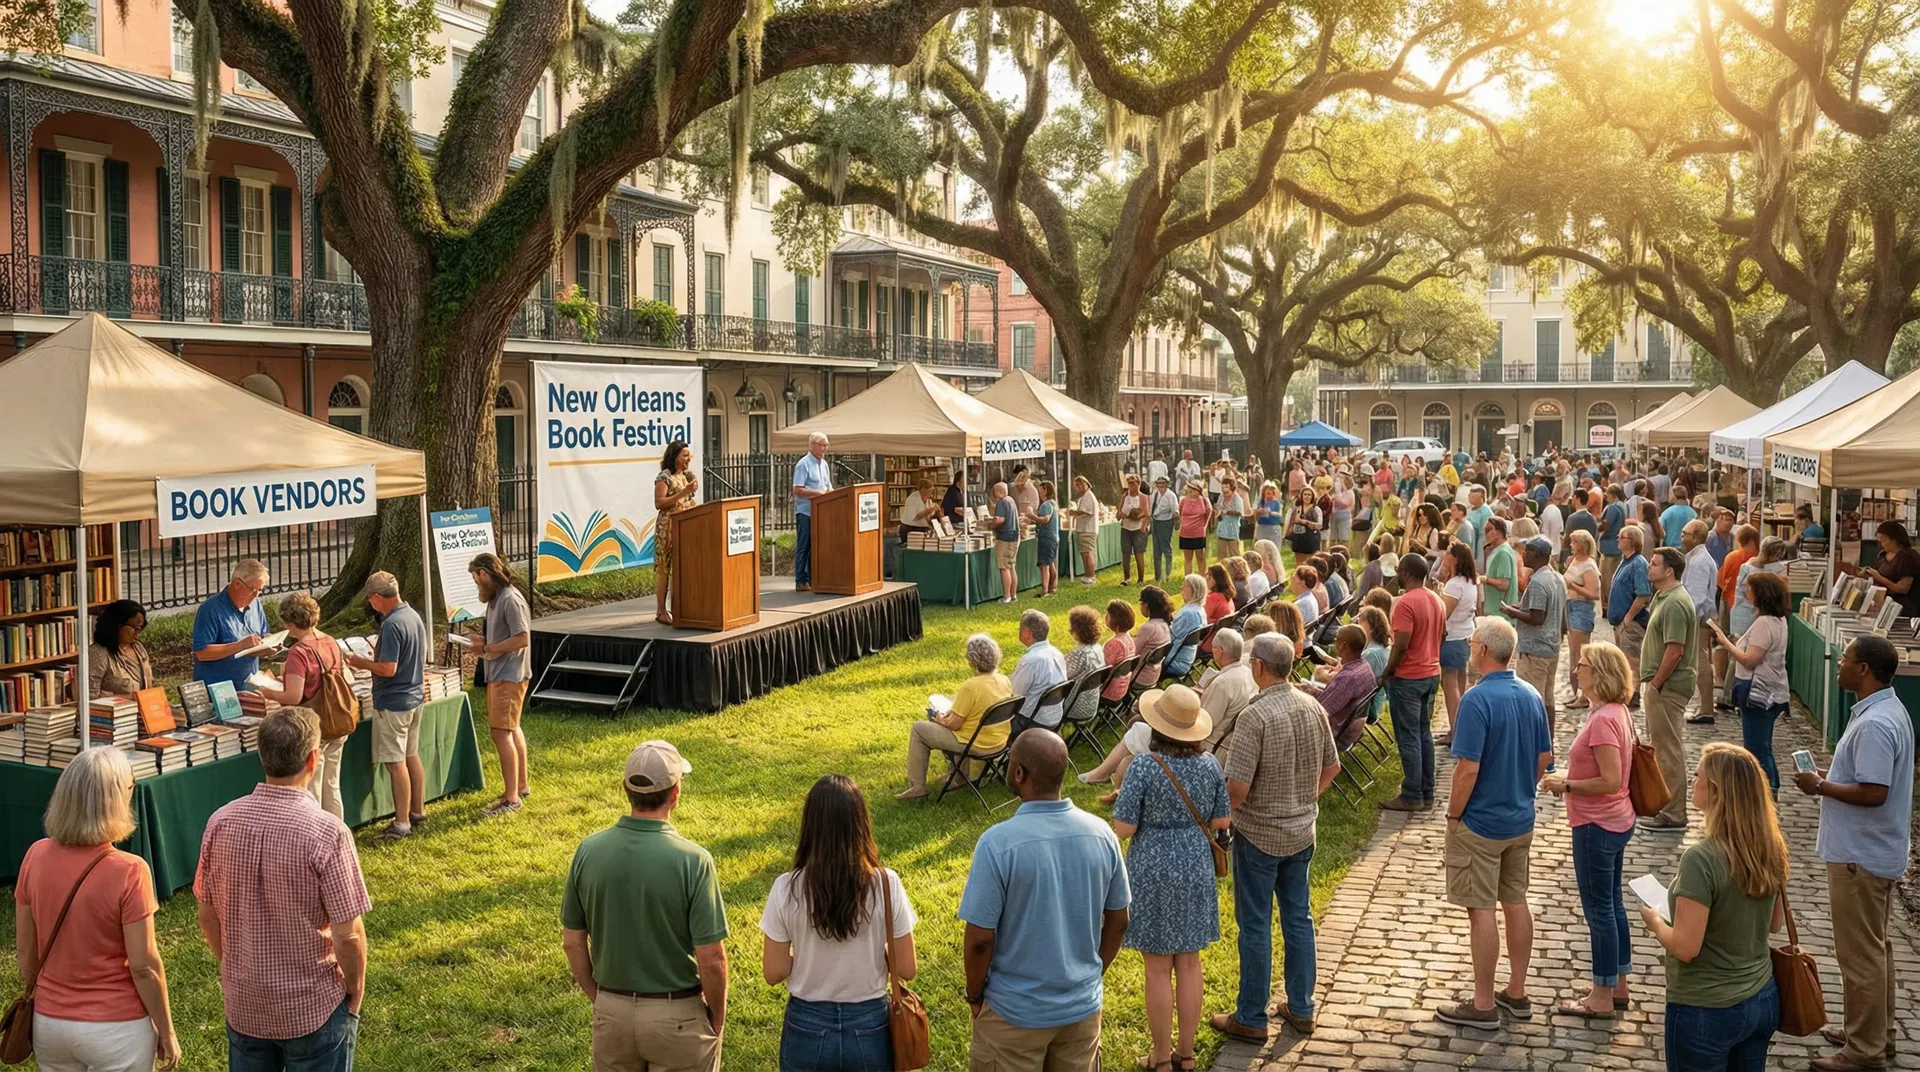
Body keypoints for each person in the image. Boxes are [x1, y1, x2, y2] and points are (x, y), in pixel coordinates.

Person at [196, 708, 370, 1072]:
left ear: (262, 755)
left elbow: (207, 915)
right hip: (312, 1006)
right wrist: (354, 988)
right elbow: (348, 935)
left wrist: (236, 965)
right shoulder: (328, 833)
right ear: (313, 759)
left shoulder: (220, 822)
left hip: (245, 1002)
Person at [960, 731, 1130, 1071]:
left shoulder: (997, 844)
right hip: (1081, 1009)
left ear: (1020, 774)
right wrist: (1093, 973)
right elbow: (1119, 920)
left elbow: (980, 939)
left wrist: (975, 995)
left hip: (1013, 1015)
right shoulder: (1102, 835)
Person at [563, 739, 727, 1072]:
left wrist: (602, 999)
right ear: (676, 793)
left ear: (627, 790)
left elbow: (572, 942)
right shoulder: (694, 861)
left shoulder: (588, 851)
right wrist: (716, 1018)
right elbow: (712, 959)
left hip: (612, 1013)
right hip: (678, 1018)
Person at [1210, 633, 1341, 1043]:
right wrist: (1303, 799)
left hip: (1260, 835)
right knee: (1298, 919)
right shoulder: (1311, 705)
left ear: (1260, 667)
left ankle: (1251, 1016)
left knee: (1255, 925)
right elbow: (1332, 767)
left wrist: (1219, 822)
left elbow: (1238, 790)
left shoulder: (1256, 716)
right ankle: (1301, 1007)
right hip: (1301, 831)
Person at [14, 747, 179, 1072]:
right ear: (116, 799)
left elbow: (25, 953)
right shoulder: (130, 870)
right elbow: (144, 966)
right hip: (117, 1029)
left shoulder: (35, 856)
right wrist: (167, 1030)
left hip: (50, 1024)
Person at [1795, 635, 1914, 1072]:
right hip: (1872, 851)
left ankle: (1863, 1052)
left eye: (1844, 659)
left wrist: (1820, 786)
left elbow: (1873, 791)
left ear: (1863, 669)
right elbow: (1864, 776)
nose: (1838, 664)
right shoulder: (1885, 711)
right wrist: (1830, 774)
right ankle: (1870, 1032)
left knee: (1860, 955)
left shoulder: (1875, 723)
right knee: (1875, 950)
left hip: (1859, 856)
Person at [1434, 618, 1554, 1028]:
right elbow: (1543, 760)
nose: (1469, 648)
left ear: (1483, 650)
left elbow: (1467, 770)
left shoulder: (1475, 700)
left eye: (1471, 643)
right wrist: (1521, 790)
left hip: (1481, 823)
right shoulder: (1532, 695)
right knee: (1516, 901)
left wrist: (1453, 816)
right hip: (1520, 819)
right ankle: (1516, 992)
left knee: (1481, 909)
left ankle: (1483, 1004)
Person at [1641, 744, 1787, 1072]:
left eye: (1698, 776)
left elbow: (1685, 947)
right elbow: (1774, 923)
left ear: (1717, 791)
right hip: (1761, 998)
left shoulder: (1701, 858)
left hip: (1706, 1008)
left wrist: (1654, 921)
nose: (1692, 781)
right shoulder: (1771, 846)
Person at [761, 775, 916, 1072]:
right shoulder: (887, 883)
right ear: (861, 824)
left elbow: (773, 971)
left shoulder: (786, 887)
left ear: (810, 826)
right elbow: (907, 968)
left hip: (807, 1023)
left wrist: (807, 958)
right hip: (871, 1021)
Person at [1111, 687, 1229, 1072]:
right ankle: (1187, 1052)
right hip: (1196, 864)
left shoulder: (1144, 766)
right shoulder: (1210, 764)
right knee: (1190, 963)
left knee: (1158, 967)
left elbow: (1124, 828)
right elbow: (1220, 822)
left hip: (1152, 867)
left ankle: (1160, 1057)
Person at [1541, 641, 1637, 1018]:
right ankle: (1617, 981)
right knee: (1612, 903)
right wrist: (1571, 777)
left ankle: (1600, 996)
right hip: (1612, 820)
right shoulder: (1615, 712)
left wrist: (1567, 785)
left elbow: (1610, 780)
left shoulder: (1602, 720)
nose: (1576, 669)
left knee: (1599, 910)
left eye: (1581, 665)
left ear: (1598, 673)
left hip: (1597, 823)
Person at [344, 571, 428, 842]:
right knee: (411, 756)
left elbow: (388, 668)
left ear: (378, 598)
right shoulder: (412, 615)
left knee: (395, 763)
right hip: (414, 697)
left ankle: (402, 823)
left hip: (393, 703)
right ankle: (417, 811)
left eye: (371, 600)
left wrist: (361, 663)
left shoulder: (391, 625)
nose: (371, 605)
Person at [252, 593, 351, 819]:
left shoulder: (300, 651)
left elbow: (294, 696)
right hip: (337, 718)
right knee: (332, 783)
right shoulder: (329, 641)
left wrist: (266, 691)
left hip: (313, 725)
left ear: (288, 623)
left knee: (312, 787)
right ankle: (337, 830)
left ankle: (313, 829)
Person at [901, 634, 1013, 800]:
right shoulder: (1004, 680)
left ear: (972, 661)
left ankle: (917, 786)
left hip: (975, 743)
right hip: (999, 741)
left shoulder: (971, 686)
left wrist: (939, 719)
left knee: (919, 728)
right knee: (965, 725)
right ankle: (959, 776)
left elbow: (954, 725)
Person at [1707, 572, 1789, 790]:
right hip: (1771, 689)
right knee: (1762, 746)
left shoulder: (1764, 622)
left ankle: (1767, 792)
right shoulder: (1778, 620)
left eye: (1749, 589)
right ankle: (1769, 791)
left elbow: (1750, 660)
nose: (1746, 592)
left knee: (1757, 749)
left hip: (1758, 691)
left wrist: (1725, 643)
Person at [1382, 553, 1445, 812]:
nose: (1397, 573)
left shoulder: (1406, 603)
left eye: (1399, 570)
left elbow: (1401, 644)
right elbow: (1443, 634)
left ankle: (1411, 794)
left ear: (1407, 573)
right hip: (1432, 672)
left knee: (1408, 736)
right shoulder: (1436, 599)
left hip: (1408, 677)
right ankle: (1426, 791)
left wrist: (1388, 670)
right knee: (1423, 733)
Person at [471, 552, 533, 817]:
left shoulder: (510, 599)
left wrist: (489, 647)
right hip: (501, 671)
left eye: (476, 579)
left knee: (500, 733)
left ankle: (511, 799)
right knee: (511, 728)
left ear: (485, 574)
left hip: (509, 674)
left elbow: (522, 639)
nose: (476, 585)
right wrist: (482, 643)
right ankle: (520, 785)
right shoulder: (496, 598)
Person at [1641, 546, 1698, 833]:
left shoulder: (1675, 602)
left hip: (1667, 687)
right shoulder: (1663, 597)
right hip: (1660, 685)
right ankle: (1663, 805)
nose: (1649, 567)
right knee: (1660, 748)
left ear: (1669, 571)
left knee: (1668, 750)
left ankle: (1674, 812)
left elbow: (1675, 650)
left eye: (1654, 563)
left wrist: (1655, 683)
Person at [1500, 536, 1566, 737]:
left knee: (1531, 701)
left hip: (1534, 650)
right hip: (1551, 647)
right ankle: (1549, 743)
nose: (1523, 554)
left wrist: (1511, 612)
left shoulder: (1538, 581)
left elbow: (1537, 617)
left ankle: (1535, 745)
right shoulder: (1557, 577)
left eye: (1527, 551)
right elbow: (1555, 611)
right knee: (1548, 700)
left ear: (1537, 554)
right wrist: (1520, 607)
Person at [192, 558, 275, 691]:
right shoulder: (210, 609)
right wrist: (240, 645)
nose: (256, 595)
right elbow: (202, 653)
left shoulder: (255, 604)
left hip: (249, 686)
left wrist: (270, 645)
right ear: (237, 584)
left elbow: (263, 634)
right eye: (253, 590)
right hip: (219, 691)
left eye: (260, 590)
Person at [1300, 624, 1376, 748]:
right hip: (1351, 728)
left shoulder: (1347, 679)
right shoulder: (1365, 667)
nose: (1335, 642)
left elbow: (1321, 712)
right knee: (1298, 689)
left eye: (1336, 639)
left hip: (1337, 733)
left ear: (1343, 645)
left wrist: (1319, 678)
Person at [653, 439, 700, 624]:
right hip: (667, 527)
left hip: (684, 525)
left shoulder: (688, 475)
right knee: (665, 568)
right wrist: (682, 493)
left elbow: (689, 500)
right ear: (675, 457)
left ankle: (680, 608)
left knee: (682, 567)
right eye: (685, 455)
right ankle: (661, 611)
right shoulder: (664, 477)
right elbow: (659, 503)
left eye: (689, 455)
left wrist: (690, 502)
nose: (689, 459)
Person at [1680, 520, 1722, 726]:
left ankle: (1707, 708)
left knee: (1700, 661)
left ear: (1695, 537)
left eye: (1684, 534)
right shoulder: (1697, 558)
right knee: (1700, 661)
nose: (1682, 537)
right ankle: (1705, 706)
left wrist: (1685, 620)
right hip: (1701, 618)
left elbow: (1695, 598)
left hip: (1697, 619)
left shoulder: (1699, 562)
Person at [1438, 541, 1479, 743]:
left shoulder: (1454, 585)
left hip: (1452, 637)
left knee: (1450, 686)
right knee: (1460, 685)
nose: (1444, 556)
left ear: (1455, 558)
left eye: (1447, 553)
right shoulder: (1470, 581)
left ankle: (1455, 731)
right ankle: (1461, 727)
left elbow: (1443, 615)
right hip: (1465, 634)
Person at [1841, 518, 1920, 620]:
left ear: (1894, 540)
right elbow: (1876, 576)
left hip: (1903, 609)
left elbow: (1902, 588)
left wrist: (1879, 577)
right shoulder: (1882, 555)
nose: (1880, 544)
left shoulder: (1908, 557)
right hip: (1881, 605)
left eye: (1883, 540)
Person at [1608, 525, 1653, 694]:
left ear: (1633, 541)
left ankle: (1633, 693)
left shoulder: (1638, 563)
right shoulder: (1625, 561)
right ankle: (1627, 690)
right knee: (1623, 660)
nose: (1618, 539)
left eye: (1622, 537)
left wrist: (1627, 619)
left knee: (1632, 660)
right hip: (1620, 621)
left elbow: (1643, 595)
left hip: (1631, 622)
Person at [1200, 630, 1258, 759]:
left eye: (1213, 648)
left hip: (1210, 745)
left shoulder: (1222, 683)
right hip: (1231, 743)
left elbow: (1204, 723)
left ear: (1220, 651)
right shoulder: (1248, 673)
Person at [1010, 609, 1069, 732]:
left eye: (1020, 628)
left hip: (1032, 721)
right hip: (1055, 717)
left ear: (1027, 633)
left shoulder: (1030, 661)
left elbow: (1013, 695)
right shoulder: (1057, 653)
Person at [86, 598, 154, 699]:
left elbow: (148, 684)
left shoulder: (138, 648)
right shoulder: (98, 653)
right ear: (117, 625)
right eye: (133, 627)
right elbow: (90, 696)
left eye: (140, 627)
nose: (137, 632)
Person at [791, 431, 834, 591]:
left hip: (821, 513)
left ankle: (815, 579)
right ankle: (801, 580)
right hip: (806, 512)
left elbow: (827, 486)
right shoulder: (804, 464)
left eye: (826, 445)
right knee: (804, 545)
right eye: (821, 445)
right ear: (811, 445)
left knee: (817, 546)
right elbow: (797, 489)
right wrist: (819, 494)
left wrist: (833, 493)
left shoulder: (824, 464)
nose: (824, 448)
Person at [1563, 529, 1600, 710]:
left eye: (1574, 542)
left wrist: (1573, 586)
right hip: (1570, 607)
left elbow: (1594, 594)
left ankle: (1585, 696)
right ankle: (1577, 693)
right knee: (1573, 654)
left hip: (1581, 609)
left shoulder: (1589, 566)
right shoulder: (1575, 561)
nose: (1571, 545)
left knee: (1581, 655)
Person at [1163, 574, 1210, 680]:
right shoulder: (1200, 610)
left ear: (1194, 589)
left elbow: (1168, 639)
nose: (1181, 588)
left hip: (1174, 662)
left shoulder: (1188, 613)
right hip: (1187, 658)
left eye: (1185, 586)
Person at [1133, 587, 1175, 689]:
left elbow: (1131, 653)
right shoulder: (1165, 623)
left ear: (1146, 605)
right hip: (1153, 676)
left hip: (1138, 678)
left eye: (1141, 604)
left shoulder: (1149, 628)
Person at [1067, 474, 1102, 586]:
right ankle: (1087, 575)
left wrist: (1073, 512)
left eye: (1082, 484)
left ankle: (1091, 576)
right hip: (1083, 528)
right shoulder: (1083, 498)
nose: (1080, 486)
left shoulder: (1089, 497)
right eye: (1077, 485)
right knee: (1084, 553)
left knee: (1088, 553)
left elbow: (1084, 511)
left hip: (1088, 529)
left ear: (1087, 484)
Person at [1479, 517, 1516, 624]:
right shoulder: (1499, 550)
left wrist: (1485, 579)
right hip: (1496, 614)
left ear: (1499, 532)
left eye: (1489, 530)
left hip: (1500, 616)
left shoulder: (1503, 552)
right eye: (1485, 530)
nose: (1486, 534)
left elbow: (1504, 584)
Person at [1101, 600, 1138, 706]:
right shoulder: (1128, 638)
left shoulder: (1114, 644)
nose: (1106, 617)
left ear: (1116, 620)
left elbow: (1102, 669)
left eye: (1108, 615)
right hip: (1122, 689)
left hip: (1108, 692)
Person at [1028, 479, 1061, 598]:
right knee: (1051, 563)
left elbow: (1046, 519)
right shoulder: (1053, 503)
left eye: (1040, 490)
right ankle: (1053, 588)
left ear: (1045, 490)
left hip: (1047, 537)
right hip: (1052, 537)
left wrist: (1032, 516)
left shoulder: (1047, 505)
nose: (1038, 492)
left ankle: (1045, 590)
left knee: (1044, 565)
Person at [1119, 473, 1150, 585]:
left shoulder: (1143, 497)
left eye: (1132, 482)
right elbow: (1119, 513)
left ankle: (1140, 579)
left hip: (1138, 528)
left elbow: (1146, 513)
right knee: (1125, 553)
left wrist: (1135, 516)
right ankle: (1126, 578)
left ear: (1138, 483)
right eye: (1129, 482)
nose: (1130, 485)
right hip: (1126, 527)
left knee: (1139, 553)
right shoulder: (1124, 497)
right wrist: (1122, 515)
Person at [1149, 476, 1180, 582]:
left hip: (1166, 522)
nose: (1160, 485)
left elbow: (1175, 510)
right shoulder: (1155, 494)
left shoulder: (1171, 495)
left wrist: (1176, 521)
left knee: (1166, 548)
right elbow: (1151, 507)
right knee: (1156, 550)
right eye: (1158, 483)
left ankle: (1167, 574)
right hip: (1156, 522)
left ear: (1166, 484)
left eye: (1162, 483)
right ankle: (1157, 576)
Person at [1213, 477, 1246, 561]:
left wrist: (1227, 512)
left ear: (1232, 488)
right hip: (1222, 529)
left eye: (1226, 487)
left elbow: (1240, 513)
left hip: (1232, 530)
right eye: (1223, 487)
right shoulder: (1221, 496)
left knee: (1235, 554)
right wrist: (1217, 512)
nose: (1224, 490)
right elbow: (1218, 509)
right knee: (1221, 555)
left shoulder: (1237, 498)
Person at [898, 477, 940, 544]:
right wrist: (929, 510)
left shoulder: (929, 500)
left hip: (923, 529)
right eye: (930, 491)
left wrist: (937, 511)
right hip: (910, 529)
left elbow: (930, 517)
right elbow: (915, 517)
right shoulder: (913, 499)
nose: (931, 493)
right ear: (923, 490)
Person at [1285, 488, 1323, 558]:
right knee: (1299, 559)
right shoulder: (1297, 509)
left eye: (1309, 495)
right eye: (1305, 494)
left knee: (1311, 560)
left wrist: (1305, 522)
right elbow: (1292, 521)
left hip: (1312, 539)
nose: (1307, 496)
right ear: (1301, 496)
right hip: (1298, 538)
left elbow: (1319, 525)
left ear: (1312, 496)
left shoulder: (1316, 509)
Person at [1254, 480, 1285, 548]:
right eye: (1267, 490)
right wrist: (1259, 511)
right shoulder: (1260, 502)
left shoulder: (1277, 502)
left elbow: (1279, 514)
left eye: (1270, 490)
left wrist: (1270, 512)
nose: (1268, 491)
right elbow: (1254, 511)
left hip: (1273, 528)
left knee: (1273, 548)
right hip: (1262, 527)